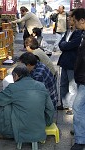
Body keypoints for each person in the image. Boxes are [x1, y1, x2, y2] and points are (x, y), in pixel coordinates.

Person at [0, 64, 54, 143]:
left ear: (16, 76)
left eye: (13, 77)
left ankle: (5, 133)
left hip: (20, 131)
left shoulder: (13, 87)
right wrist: (47, 122)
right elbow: (50, 108)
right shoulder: (41, 86)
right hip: (39, 130)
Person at [57, 10, 82, 115]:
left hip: (72, 62)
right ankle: (64, 104)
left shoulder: (79, 33)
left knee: (72, 86)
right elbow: (61, 44)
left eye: (70, 17)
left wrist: (65, 45)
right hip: (64, 61)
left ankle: (71, 106)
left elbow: (70, 45)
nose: (68, 19)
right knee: (63, 84)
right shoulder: (68, 31)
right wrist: (65, 45)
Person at [70, 8, 85, 150]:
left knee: (77, 107)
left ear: (82, 20)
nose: (73, 24)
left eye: (75, 21)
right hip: (81, 78)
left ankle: (80, 140)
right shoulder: (82, 34)